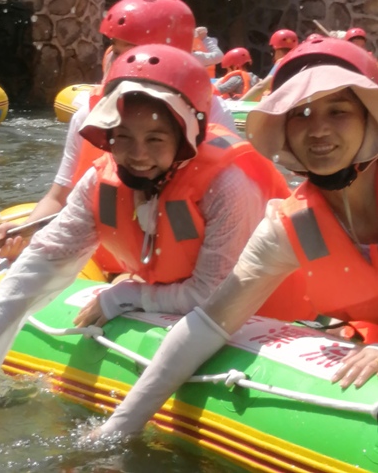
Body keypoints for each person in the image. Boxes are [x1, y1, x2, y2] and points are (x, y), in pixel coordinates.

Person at [0, 43, 289, 403]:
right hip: (179, 300)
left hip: (274, 320)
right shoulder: (100, 181)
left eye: (155, 138)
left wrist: (124, 296)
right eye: (123, 136)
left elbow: (213, 298)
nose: (138, 155)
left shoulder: (228, 185)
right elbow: (45, 258)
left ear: (185, 136)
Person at [93, 36, 378, 438]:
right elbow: (209, 323)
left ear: (369, 118)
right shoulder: (290, 225)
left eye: (339, 111)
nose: (318, 130)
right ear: (283, 128)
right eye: (300, 114)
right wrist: (117, 430)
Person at [0, 0, 236, 264]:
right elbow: (59, 198)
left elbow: (228, 208)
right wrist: (25, 233)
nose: (120, 63)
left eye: (131, 52)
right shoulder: (90, 115)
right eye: (117, 52)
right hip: (103, 257)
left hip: (184, 264)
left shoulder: (212, 114)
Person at [241, 28, 298, 102]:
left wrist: (239, 103)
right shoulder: (298, 61)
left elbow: (261, 86)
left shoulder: (282, 62)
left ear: (274, 49)